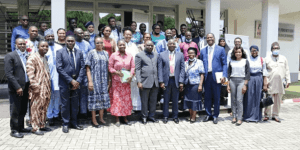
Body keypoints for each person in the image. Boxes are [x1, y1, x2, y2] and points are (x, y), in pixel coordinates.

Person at [56, 35, 85, 133]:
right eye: (68, 41)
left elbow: (82, 67)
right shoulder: (60, 52)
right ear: (65, 41)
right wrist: (70, 81)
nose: (70, 42)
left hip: (76, 82)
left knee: (75, 104)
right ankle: (65, 123)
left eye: (72, 41)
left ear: (75, 42)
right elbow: (59, 68)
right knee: (65, 104)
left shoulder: (79, 52)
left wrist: (78, 80)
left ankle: (74, 123)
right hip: (65, 82)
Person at [5, 38, 31, 138]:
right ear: (16, 45)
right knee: (15, 109)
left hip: (26, 86)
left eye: (24, 44)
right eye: (20, 44)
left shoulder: (26, 56)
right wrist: (17, 87)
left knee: (23, 109)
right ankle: (14, 130)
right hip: (16, 88)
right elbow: (9, 74)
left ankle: (21, 127)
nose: (22, 45)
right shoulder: (10, 56)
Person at [200, 33, 227, 124]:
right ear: (206, 39)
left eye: (211, 37)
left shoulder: (221, 49)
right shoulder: (203, 50)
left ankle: (215, 115)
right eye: (208, 38)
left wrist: (224, 75)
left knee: (216, 97)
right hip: (207, 76)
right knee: (207, 97)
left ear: (214, 38)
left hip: (217, 76)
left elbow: (224, 63)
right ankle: (208, 114)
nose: (209, 39)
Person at [26, 40, 52, 135]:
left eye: (46, 46)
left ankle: (42, 125)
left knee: (44, 107)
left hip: (46, 88)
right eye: (42, 46)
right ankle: (35, 127)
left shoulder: (44, 57)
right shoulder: (33, 57)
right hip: (37, 88)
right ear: (38, 47)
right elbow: (30, 73)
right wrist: (34, 86)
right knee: (35, 108)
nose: (45, 48)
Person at [108, 40, 135, 127]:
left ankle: (125, 117)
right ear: (118, 46)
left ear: (125, 46)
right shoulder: (113, 55)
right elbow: (110, 67)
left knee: (125, 99)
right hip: (117, 81)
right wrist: (116, 72)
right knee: (117, 100)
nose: (122, 46)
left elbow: (133, 67)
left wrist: (131, 75)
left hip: (126, 81)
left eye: (123, 45)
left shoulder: (129, 56)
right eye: (120, 45)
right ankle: (117, 118)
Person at [158, 39, 185, 124]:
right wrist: (161, 81)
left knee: (175, 100)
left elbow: (182, 69)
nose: (172, 45)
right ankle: (165, 116)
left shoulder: (180, 55)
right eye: (170, 44)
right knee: (166, 99)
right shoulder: (162, 55)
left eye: (173, 44)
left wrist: (181, 81)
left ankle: (175, 116)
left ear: (176, 45)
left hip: (176, 80)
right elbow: (160, 69)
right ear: (167, 45)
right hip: (166, 80)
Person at [86, 37, 111, 128]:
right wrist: (90, 81)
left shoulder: (106, 53)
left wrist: (109, 80)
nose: (99, 44)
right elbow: (87, 68)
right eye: (97, 43)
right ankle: (94, 119)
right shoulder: (91, 53)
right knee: (94, 100)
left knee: (102, 99)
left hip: (104, 80)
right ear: (94, 43)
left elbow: (108, 68)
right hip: (94, 80)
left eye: (101, 42)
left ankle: (101, 118)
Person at [264, 42, 290, 123]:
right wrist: (265, 82)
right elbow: (264, 71)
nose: (276, 50)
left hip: (280, 82)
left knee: (278, 100)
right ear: (271, 49)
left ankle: (275, 115)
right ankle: (267, 115)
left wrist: (288, 80)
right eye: (274, 48)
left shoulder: (283, 58)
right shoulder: (267, 59)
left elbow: (287, 70)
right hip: (270, 81)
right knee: (269, 99)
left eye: (277, 48)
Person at [135, 41, 159, 124]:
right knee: (144, 101)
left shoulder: (155, 54)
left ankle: (151, 116)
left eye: (151, 45)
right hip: (144, 81)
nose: (150, 47)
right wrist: (139, 81)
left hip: (155, 82)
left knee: (153, 100)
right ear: (144, 45)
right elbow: (137, 69)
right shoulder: (139, 55)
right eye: (148, 45)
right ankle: (144, 116)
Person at [243, 45, 268, 123]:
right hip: (249, 78)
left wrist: (265, 84)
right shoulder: (247, 59)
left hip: (258, 78)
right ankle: (248, 116)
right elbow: (245, 71)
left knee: (257, 97)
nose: (254, 52)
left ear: (258, 51)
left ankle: (257, 117)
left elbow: (264, 72)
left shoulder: (262, 59)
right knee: (249, 97)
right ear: (250, 51)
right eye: (253, 50)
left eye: (256, 50)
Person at [227, 47, 250, 126]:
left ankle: (239, 118)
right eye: (236, 52)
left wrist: (245, 85)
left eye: (240, 52)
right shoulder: (231, 61)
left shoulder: (245, 61)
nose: (238, 53)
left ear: (242, 53)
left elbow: (247, 74)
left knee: (239, 100)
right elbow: (229, 74)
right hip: (232, 81)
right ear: (234, 53)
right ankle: (234, 116)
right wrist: (228, 85)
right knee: (233, 99)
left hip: (241, 81)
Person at [44, 29, 63, 126]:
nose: (50, 38)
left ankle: (56, 115)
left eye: (52, 36)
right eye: (48, 36)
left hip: (59, 76)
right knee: (50, 97)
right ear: (45, 38)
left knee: (58, 97)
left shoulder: (59, 47)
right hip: (48, 76)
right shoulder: (43, 48)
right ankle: (50, 116)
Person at [120, 27, 141, 111]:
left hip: (133, 71)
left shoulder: (134, 46)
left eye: (129, 35)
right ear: (123, 35)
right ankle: (124, 108)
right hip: (123, 71)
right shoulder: (120, 44)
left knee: (133, 90)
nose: (128, 36)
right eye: (126, 34)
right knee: (124, 90)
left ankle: (134, 107)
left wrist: (135, 70)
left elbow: (137, 59)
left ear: (131, 36)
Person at [74, 28, 93, 119]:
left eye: (82, 33)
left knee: (84, 92)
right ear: (75, 34)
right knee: (75, 92)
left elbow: (91, 55)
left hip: (85, 71)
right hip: (75, 72)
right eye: (79, 33)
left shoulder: (87, 44)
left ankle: (84, 112)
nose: (82, 35)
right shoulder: (72, 43)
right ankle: (75, 112)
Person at [183, 47, 205, 123]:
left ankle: (194, 117)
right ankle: (190, 115)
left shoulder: (199, 62)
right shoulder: (185, 62)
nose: (191, 54)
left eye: (192, 53)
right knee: (188, 101)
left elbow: (202, 74)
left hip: (195, 84)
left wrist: (200, 85)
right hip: (187, 84)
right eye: (189, 53)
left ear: (195, 54)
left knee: (194, 101)